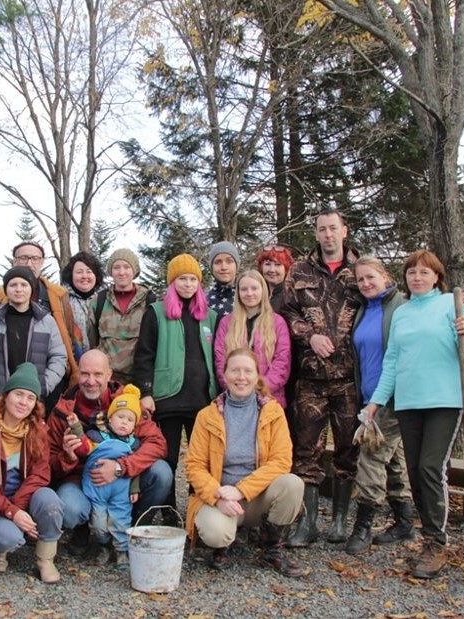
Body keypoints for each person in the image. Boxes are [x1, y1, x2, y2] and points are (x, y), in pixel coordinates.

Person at [363, 249, 464, 579]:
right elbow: (392, 362)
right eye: (412, 272)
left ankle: (437, 541)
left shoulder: (451, 304)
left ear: (436, 277)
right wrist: (376, 402)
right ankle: (429, 537)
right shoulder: (402, 312)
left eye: (424, 272)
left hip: (444, 400)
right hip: (408, 402)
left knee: (431, 466)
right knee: (414, 470)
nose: (417, 277)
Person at [280, 209, 361, 547]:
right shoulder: (298, 271)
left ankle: (340, 522)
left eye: (333, 228)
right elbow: (285, 311)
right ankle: (308, 523)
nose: (328, 235)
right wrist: (308, 335)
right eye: (321, 229)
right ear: (315, 234)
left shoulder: (360, 271)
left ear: (344, 231)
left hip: (349, 378)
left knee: (347, 451)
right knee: (306, 452)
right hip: (311, 378)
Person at [185, 348, 304, 575]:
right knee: (215, 533)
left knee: (292, 484)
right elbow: (194, 465)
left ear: (257, 375)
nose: (241, 377)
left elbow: (281, 461)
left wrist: (240, 490)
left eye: (248, 371)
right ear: (225, 374)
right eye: (235, 371)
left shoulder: (273, 412)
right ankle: (224, 545)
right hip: (221, 498)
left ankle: (272, 547)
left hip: (257, 496)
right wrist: (216, 496)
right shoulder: (207, 416)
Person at [48, 349, 171, 556]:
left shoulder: (126, 404)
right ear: (77, 375)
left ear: (109, 375)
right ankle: (84, 531)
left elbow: (158, 443)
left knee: (162, 473)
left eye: (98, 374)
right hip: (82, 479)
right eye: (85, 374)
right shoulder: (63, 410)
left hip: (125, 479)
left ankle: (136, 530)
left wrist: (121, 466)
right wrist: (67, 458)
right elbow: (48, 461)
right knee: (69, 508)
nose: (91, 381)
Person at [133, 253, 218, 520]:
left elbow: (218, 355)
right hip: (167, 398)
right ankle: (168, 510)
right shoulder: (156, 312)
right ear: (172, 282)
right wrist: (145, 392)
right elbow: (144, 354)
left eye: (193, 279)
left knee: (200, 460)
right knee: (167, 458)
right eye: (182, 279)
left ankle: (197, 510)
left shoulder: (210, 317)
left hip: (202, 400)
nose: (188, 284)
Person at [0, 363, 65, 584]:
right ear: (6, 396)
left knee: (51, 502)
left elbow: (41, 475)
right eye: (18, 394)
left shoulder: (38, 431)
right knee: (6, 537)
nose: (23, 402)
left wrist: (17, 508)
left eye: (30, 398)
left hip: (24, 499)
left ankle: (45, 559)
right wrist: (11, 512)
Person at [344, 257, 413, 555]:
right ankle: (405, 521)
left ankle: (363, 527)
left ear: (385, 276)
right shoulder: (364, 309)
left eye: (370, 277)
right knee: (394, 459)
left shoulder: (400, 308)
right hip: (369, 397)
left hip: (393, 398)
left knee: (371, 456)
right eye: (360, 280)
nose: (366, 283)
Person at [0, 241, 79, 400]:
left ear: (42, 261)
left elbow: (67, 340)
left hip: (43, 389)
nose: (29, 263)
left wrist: (45, 385)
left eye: (35, 258)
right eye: (23, 258)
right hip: (0, 391)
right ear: (14, 261)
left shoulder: (58, 296)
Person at [69, 384, 143, 567]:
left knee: (121, 519)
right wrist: (76, 428)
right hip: (98, 490)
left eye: (129, 420)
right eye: (120, 417)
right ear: (110, 418)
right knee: (99, 522)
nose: (124, 423)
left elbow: (136, 468)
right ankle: (103, 546)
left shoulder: (134, 444)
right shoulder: (98, 437)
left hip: (121, 491)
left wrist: (135, 488)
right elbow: (84, 447)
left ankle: (121, 550)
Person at [0, 266, 67, 411]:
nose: (18, 289)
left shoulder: (46, 321)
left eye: (24, 285)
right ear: (6, 289)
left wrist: (43, 385)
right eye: (13, 285)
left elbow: (59, 357)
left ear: (31, 289)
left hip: (31, 401)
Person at [214, 270, 291, 408]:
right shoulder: (226, 323)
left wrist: (261, 388)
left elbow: (282, 361)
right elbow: (221, 360)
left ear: (263, 290)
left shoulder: (277, 322)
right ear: (238, 293)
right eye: (244, 289)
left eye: (254, 288)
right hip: (235, 401)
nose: (249, 293)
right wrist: (237, 388)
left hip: (270, 399)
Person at [88, 248, 155, 384]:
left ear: (134, 270)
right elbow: (92, 339)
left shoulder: (149, 300)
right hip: (106, 381)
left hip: (139, 379)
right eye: (116, 267)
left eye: (126, 267)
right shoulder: (99, 301)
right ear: (111, 272)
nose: (121, 272)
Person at [60, 251, 105, 361]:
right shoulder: (61, 300)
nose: (84, 276)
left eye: (89, 272)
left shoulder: (105, 299)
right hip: (70, 363)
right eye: (79, 272)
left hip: (100, 363)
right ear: (71, 275)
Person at [255, 245, 295, 313]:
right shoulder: (254, 293)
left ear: (286, 268)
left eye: (277, 265)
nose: (272, 270)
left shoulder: (292, 297)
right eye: (267, 264)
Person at [206, 241, 240, 319]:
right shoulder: (203, 302)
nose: (224, 267)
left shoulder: (248, 296)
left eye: (229, 261)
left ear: (236, 265)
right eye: (218, 262)